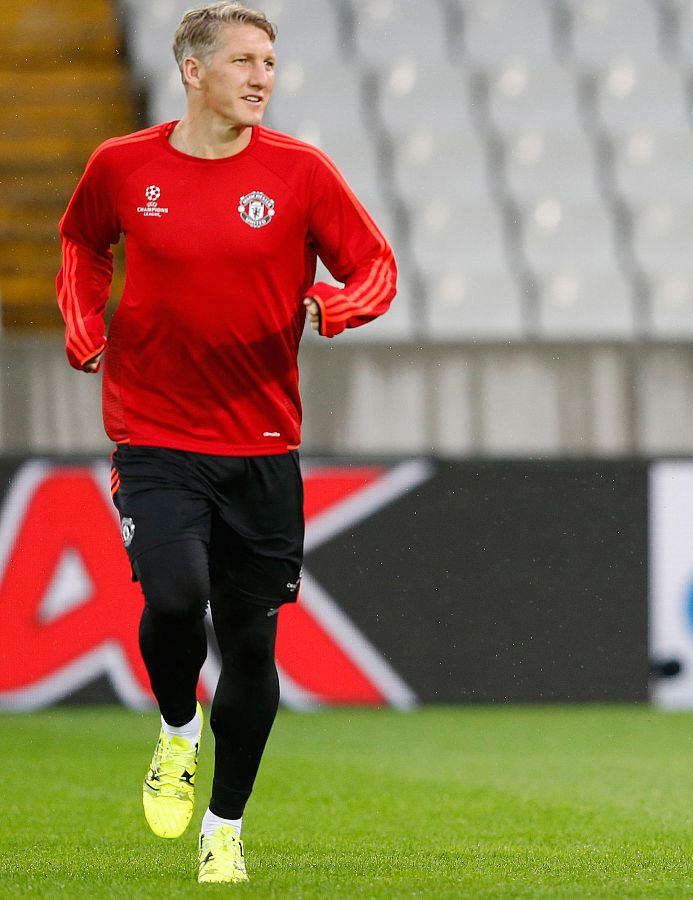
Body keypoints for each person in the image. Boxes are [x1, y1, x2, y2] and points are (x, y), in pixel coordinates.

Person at [56, 1, 396, 884]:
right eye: (244, 60)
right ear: (193, 71)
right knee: (174, 600)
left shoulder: (301, 173)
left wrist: (338, 305)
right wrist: (83, 320)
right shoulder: (123, 165)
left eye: (271, 62)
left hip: (263, 443)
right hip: (155, 432)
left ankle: (225, 826)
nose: (261, 77)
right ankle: (176, 730)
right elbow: (81, 244)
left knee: (251, 645)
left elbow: (375, 266)